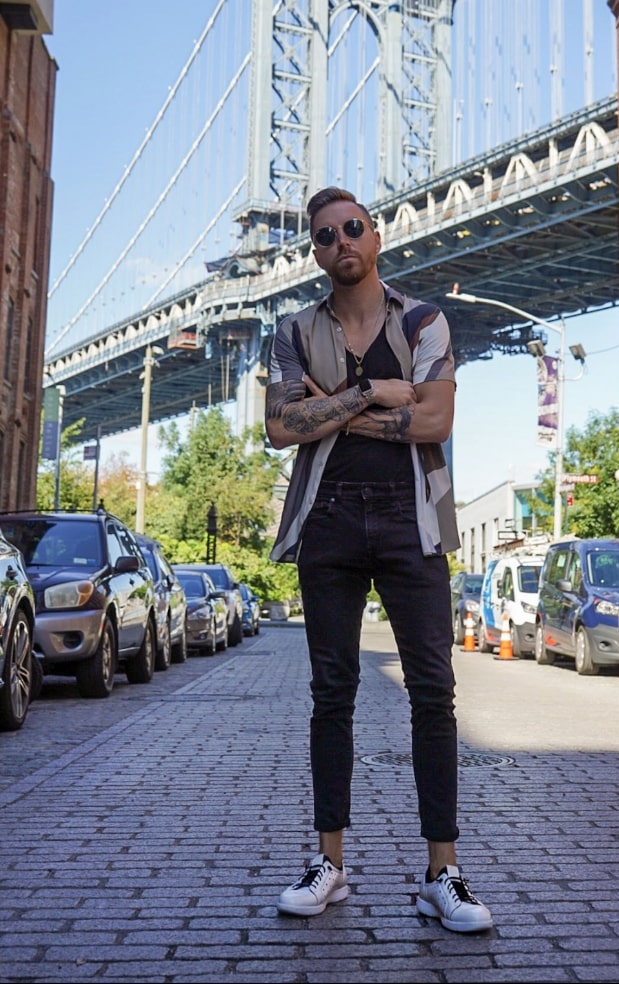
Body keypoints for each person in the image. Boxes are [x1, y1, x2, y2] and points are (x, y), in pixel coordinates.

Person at [264, 186, 493, 934]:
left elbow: (436, 416)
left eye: (353, 228)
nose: (342, 242)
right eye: (325, 236)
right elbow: (279, 426)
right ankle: (329, 864)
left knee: (432, 692)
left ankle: (442, 873)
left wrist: (331, 407)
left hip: (410, 522)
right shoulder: (291, 330)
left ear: (376, 235)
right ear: (315, 251)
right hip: (327, 521)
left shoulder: (425, 319)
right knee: (332, 692)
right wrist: (370, 390)